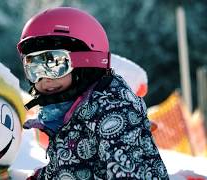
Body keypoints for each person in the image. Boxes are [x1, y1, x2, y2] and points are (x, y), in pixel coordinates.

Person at [17, 7, 169, 180]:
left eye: (54, 64)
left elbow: (130, 173)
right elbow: (70, 167)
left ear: (86, 62)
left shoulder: (113, 111)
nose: (44, 79)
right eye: (33, 67)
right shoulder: (69, 113)